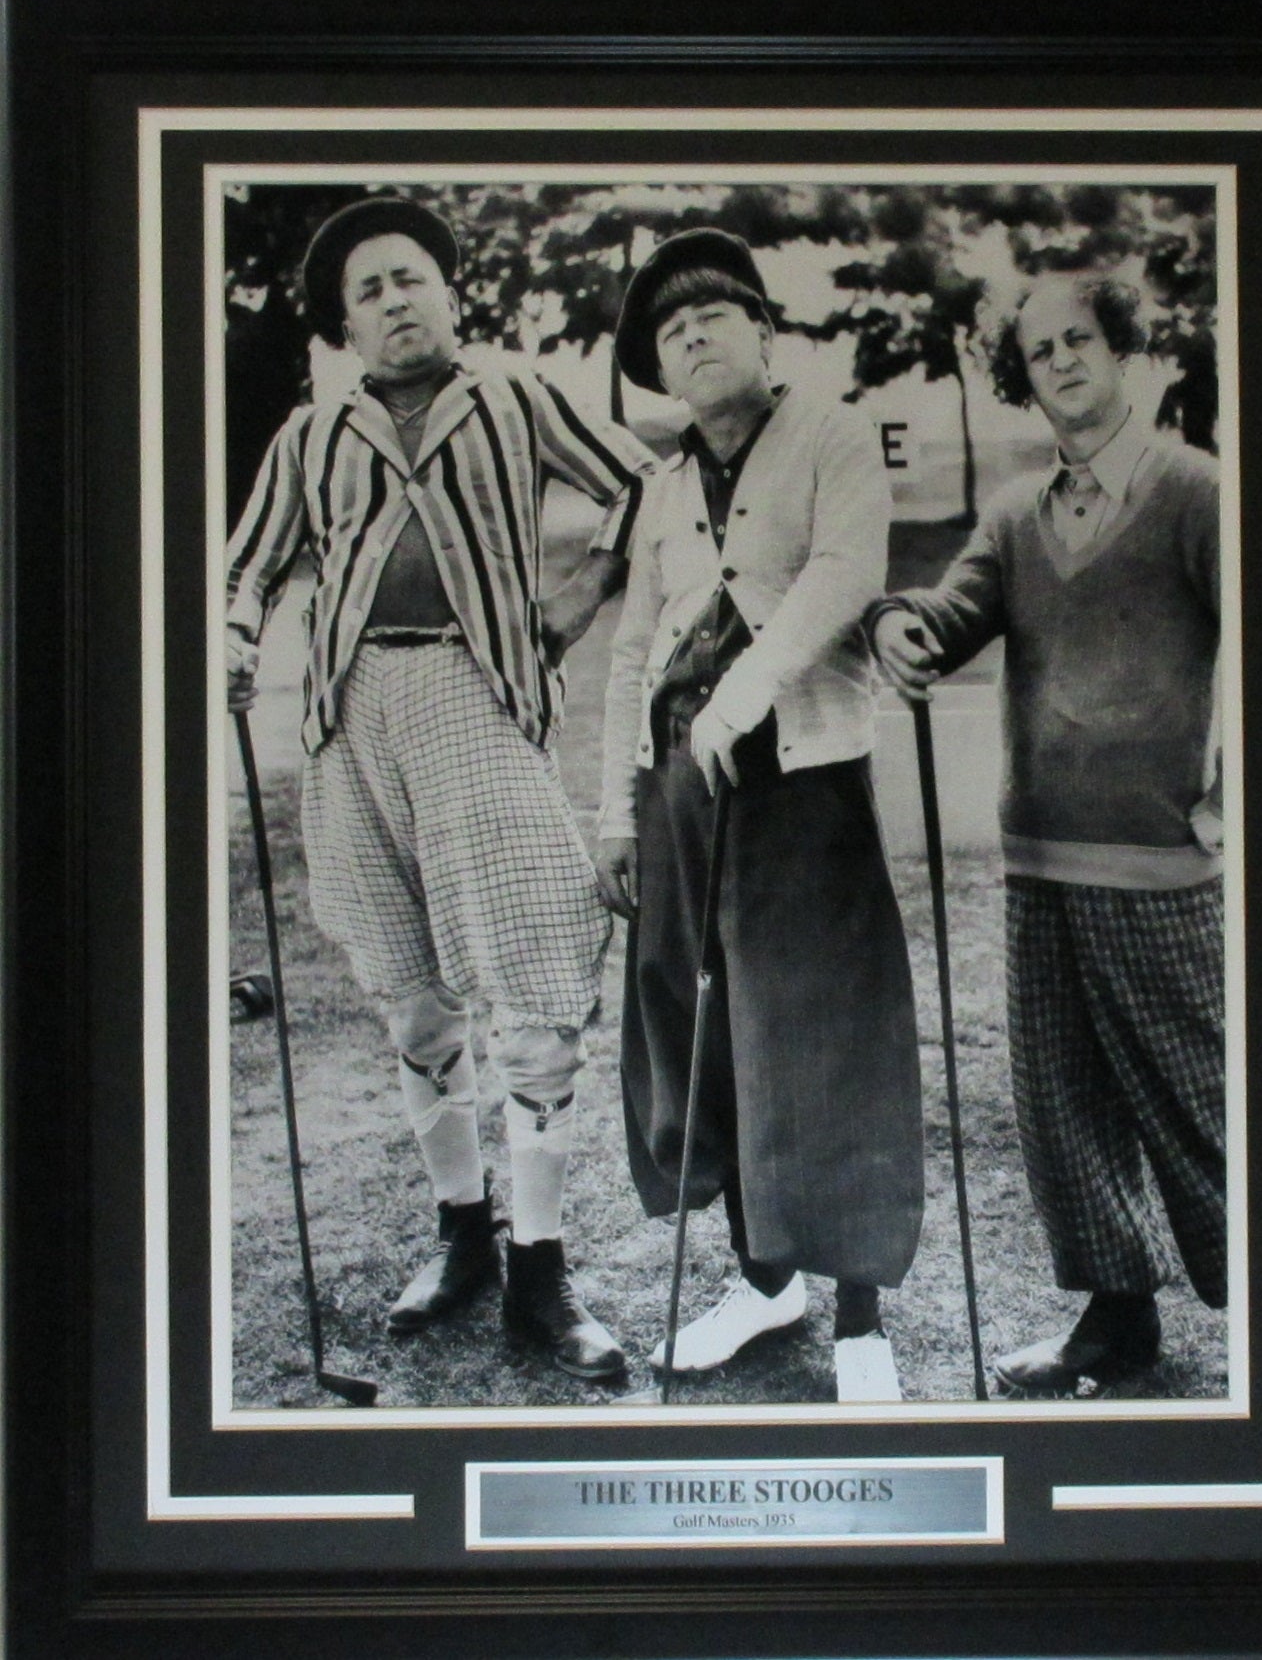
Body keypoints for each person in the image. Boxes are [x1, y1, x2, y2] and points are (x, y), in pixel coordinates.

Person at [226, 196, 656, 1381]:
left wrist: (575, 601)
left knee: (529, 979)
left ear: (448, 290)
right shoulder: (313, 433)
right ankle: (463, 1232)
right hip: (349, 717)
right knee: (410, 993)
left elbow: (645, 487)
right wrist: (231, 637)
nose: (394, 300)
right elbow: (249, 566)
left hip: (479, 702)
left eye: (410, 277)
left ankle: (544, 1272)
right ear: (343, 329)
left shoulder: (514, 394)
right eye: (367, 291)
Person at [870, 272, 1226, 1395]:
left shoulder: (1197, 492)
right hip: (1039, 856)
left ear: (1121, 349)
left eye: (1081, 339)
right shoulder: (1017, 514)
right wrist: (899, 627)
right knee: (1061, 1101)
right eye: (1038, 352)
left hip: (1160, 860)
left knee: (1200, 1102)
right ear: (1018, 378)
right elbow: (947, 610)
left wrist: (1227, 793)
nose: (1062, 361)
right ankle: (1117, 1320)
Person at [596, 229, 925, 1404]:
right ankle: (762, 1277)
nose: (691, 335)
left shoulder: (832, 431)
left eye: (714, 314)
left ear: (765, 332)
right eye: (668, 331)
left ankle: (858, 1320)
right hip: (682, 784)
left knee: (825, 1033)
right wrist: (615, 815)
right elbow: (636, 645)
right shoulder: (665, 481)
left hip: (803, 774)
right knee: (712, 1032)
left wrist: (740, 694)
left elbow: (845, 573)